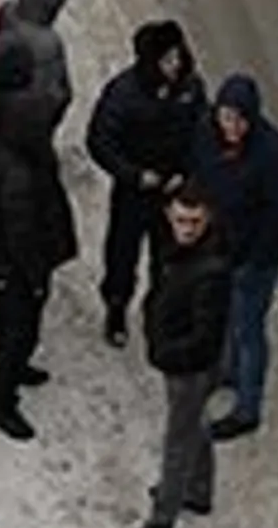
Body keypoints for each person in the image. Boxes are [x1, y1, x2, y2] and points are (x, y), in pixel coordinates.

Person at [0, 34, 79, 443]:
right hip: (20, 266)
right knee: (21, 329)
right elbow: (21, 233)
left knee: (17, 328)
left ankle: (12, 368)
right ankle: (1, 400)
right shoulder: (20, 173)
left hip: (16, 259)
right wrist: (37, 274)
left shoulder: (14, 152)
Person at [87, 21, 207, 347]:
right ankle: (116, 307)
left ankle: (159, 311)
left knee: (168, 258)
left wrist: (186, 173)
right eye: (167, 60)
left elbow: (201, 133)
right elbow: (100, 141)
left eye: (177, 57)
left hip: (174, 190)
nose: (175, 65)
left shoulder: (191, 88)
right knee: (122, 254)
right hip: (135, 191)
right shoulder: (124, 93)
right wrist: (134, 175)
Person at [199, 73, 278, 438]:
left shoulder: (274, 154)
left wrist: (253, 257)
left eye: (238, 119)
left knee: (249, 329)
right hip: (222, 250)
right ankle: (228, 371)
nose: (231, 126)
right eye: (226, 117)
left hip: (254, 261)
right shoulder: (210, 138)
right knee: (228, 316)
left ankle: (248, 408)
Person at [133, 186, 235, 528]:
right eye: (180, 220)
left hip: (189, 369)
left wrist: (168, 355)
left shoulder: (210, 270)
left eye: (194, 222)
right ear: (168, 215)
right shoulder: (184, 251)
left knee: (178, 442)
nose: (187, 228)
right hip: (184, 360)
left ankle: (161, 524)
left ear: (207, 217)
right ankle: (199, 489)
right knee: (194, 425)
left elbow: (205, 339)